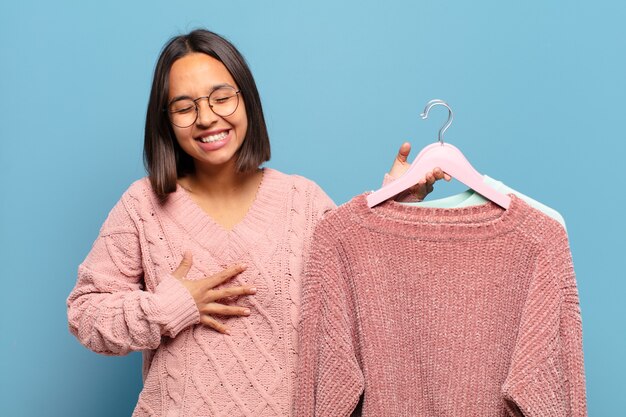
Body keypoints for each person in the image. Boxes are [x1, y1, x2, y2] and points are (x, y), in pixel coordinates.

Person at [67, 29, 448, 417]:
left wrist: (393, 201)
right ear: (165, 121)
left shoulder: (303, 201)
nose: (206, 118)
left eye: (221, 98)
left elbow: (362, 294)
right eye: (184, 108)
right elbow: (85, 314)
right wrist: (168, 307)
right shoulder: (142, 206)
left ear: (246, 99)